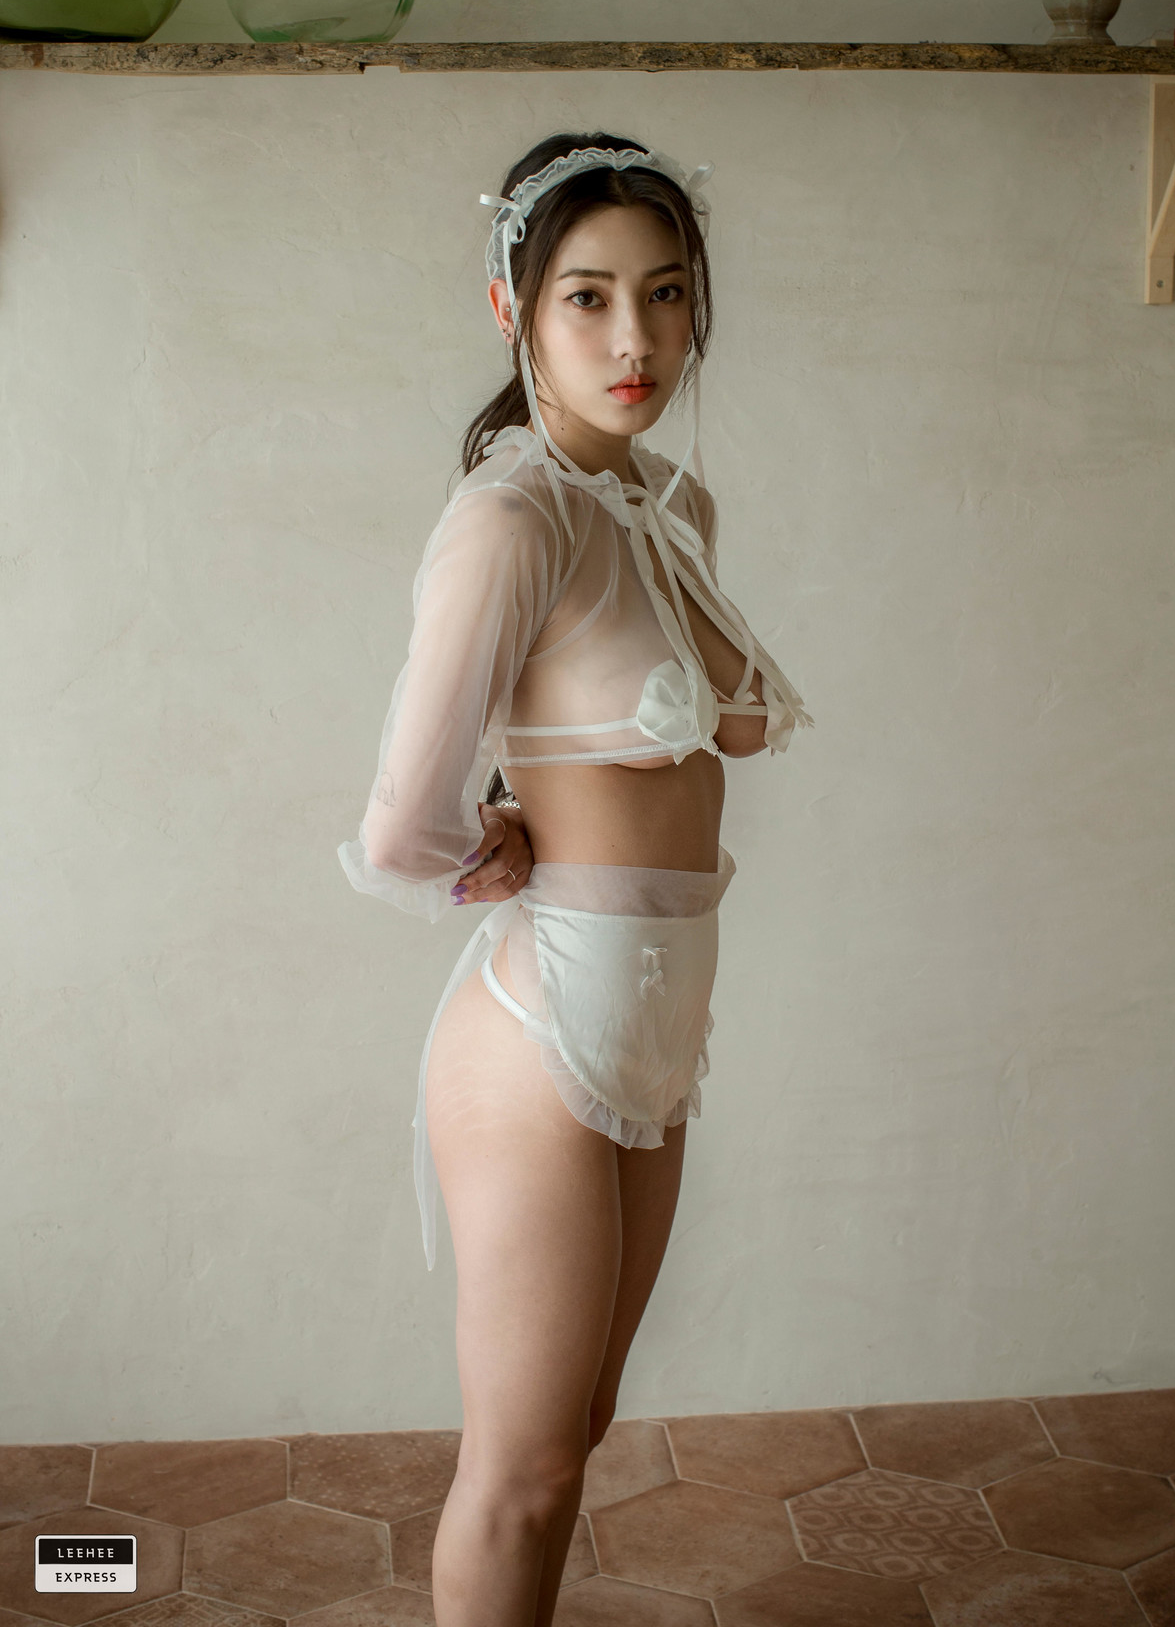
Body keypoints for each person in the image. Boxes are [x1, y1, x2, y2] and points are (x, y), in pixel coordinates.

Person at [338, 132, 812, 1624]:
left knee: (581, 1429)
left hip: (664, 1024)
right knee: (524, 1468)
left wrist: (519, 809)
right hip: (542, 1029)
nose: (635, 341)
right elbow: (400, 825)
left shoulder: (670, 508)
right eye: (588, 297)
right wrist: (494, 839)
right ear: (513, 309)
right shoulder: (511, 518)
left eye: (665, 294)